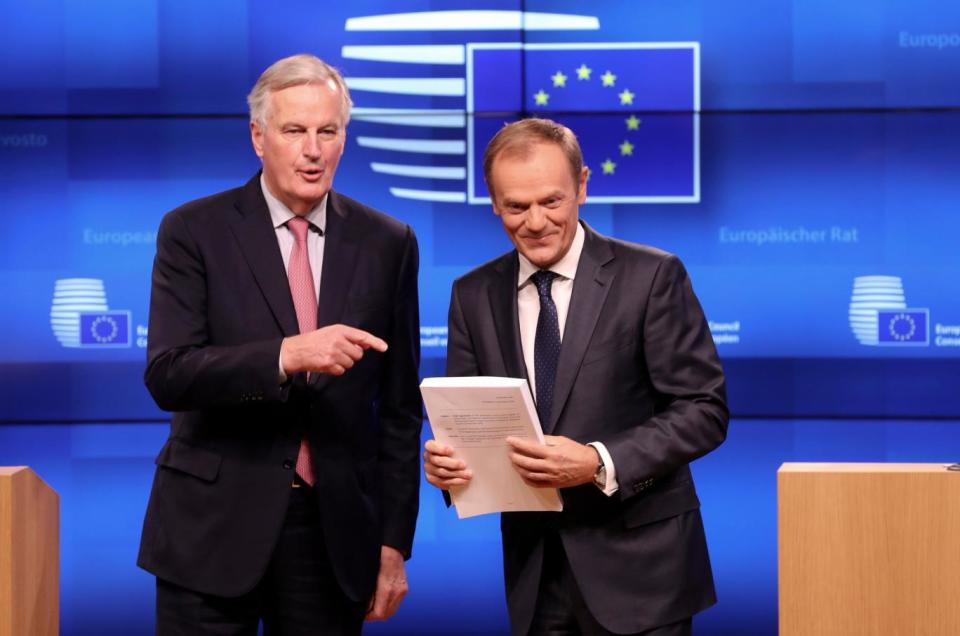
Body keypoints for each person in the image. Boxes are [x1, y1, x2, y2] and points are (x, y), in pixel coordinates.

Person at [138, 54, 422, 635]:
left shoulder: (389, 242)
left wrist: (394, 544)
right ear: (258, 137)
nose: (312, 150)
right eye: (294, 131)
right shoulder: (193, 231)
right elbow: (169, 374)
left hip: (333, 535)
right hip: (211, 530)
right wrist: (286, 355)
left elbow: (398, 412)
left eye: (328, 131)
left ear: (344, 139)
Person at [423, 118, 728, 636]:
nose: (536, 222)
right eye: (516, 206)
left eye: (552, 201)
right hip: (536, 575)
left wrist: (597, 461)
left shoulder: (651, 276)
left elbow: (704, 409)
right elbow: (468, 420)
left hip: (643, 573)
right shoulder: (471, 295)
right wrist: (451, 468)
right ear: (493, 202)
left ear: (582, 186)